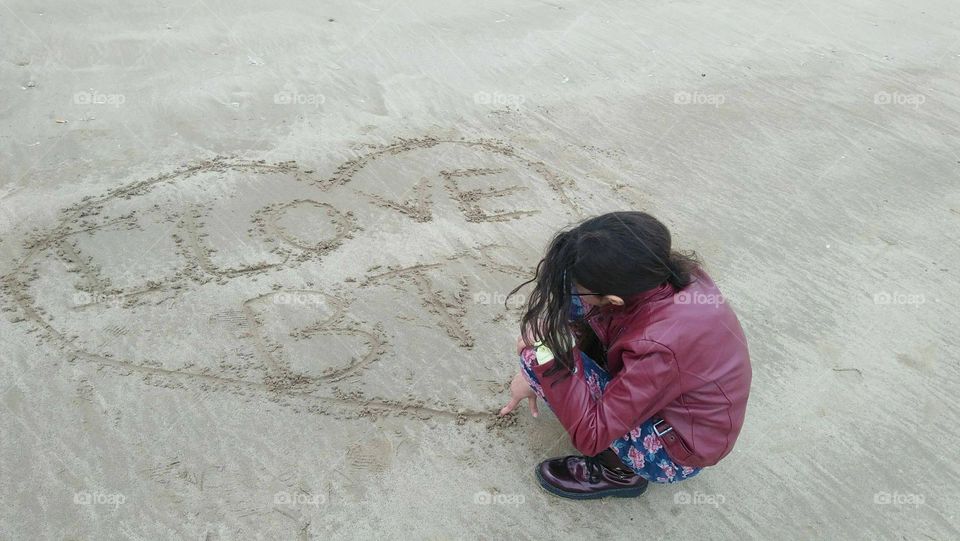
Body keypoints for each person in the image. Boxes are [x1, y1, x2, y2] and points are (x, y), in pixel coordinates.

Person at [499, 211, 752, 500]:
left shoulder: (659, 346)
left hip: (679, 448)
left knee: (539, 354)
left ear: (615, 300)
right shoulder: (663, 274)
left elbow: (591, 435)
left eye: (584, 289)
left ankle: (617, 472)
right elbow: (587, 307)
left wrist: (544, 361)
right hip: (678, 395)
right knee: (572, 309)